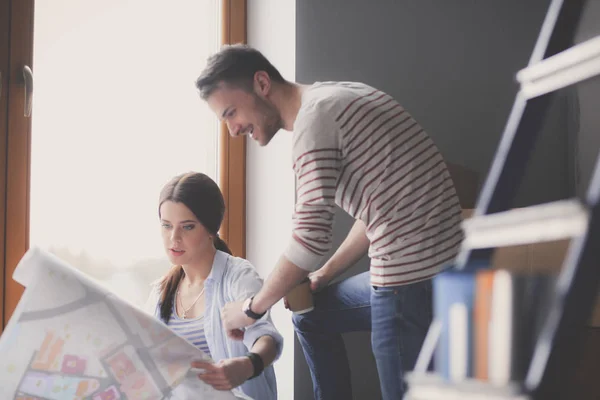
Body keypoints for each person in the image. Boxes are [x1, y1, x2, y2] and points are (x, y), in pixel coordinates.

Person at [195, 45, 463, 400]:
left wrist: (251, 308)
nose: (232, 130)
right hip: (444, 267)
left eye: (231, 113)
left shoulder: (314, 122)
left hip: (410, 281)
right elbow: (377, 213)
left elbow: (309, 240)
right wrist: (325, 274)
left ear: (261, 83)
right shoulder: (337, 95)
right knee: (311, 315)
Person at [145, 172, 282, 400]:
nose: (174, 238)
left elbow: (266, 337)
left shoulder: (238, 276)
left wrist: (247, 365)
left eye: (187, 227)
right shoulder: (160, 293)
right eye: (166, 226)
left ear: (211, 229)